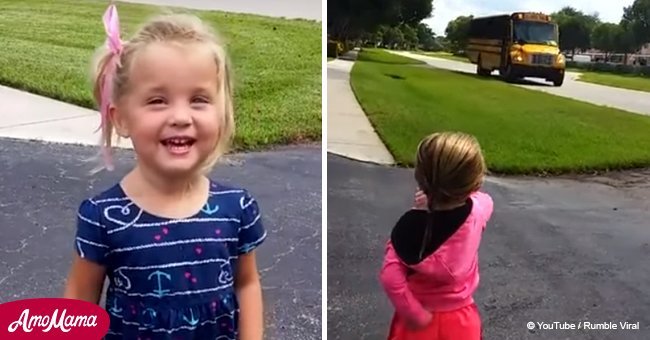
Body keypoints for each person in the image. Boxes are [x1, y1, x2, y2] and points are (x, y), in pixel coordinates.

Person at [63, 4, 266, 339]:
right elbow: (79, 304)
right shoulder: (103, 218)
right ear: (121, 118)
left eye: (199, 99)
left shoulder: (237, 208)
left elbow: (247, 283)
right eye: (158, 101)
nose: (181, 116)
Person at [379, 132, 494, 340]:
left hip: (418, 325)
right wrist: (453, 196)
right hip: (461, 322)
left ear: (421, 180)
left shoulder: (408, 230)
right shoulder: (477, 211)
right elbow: (485, 199)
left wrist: (416, 315)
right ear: (474, 183)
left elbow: (391, 277)